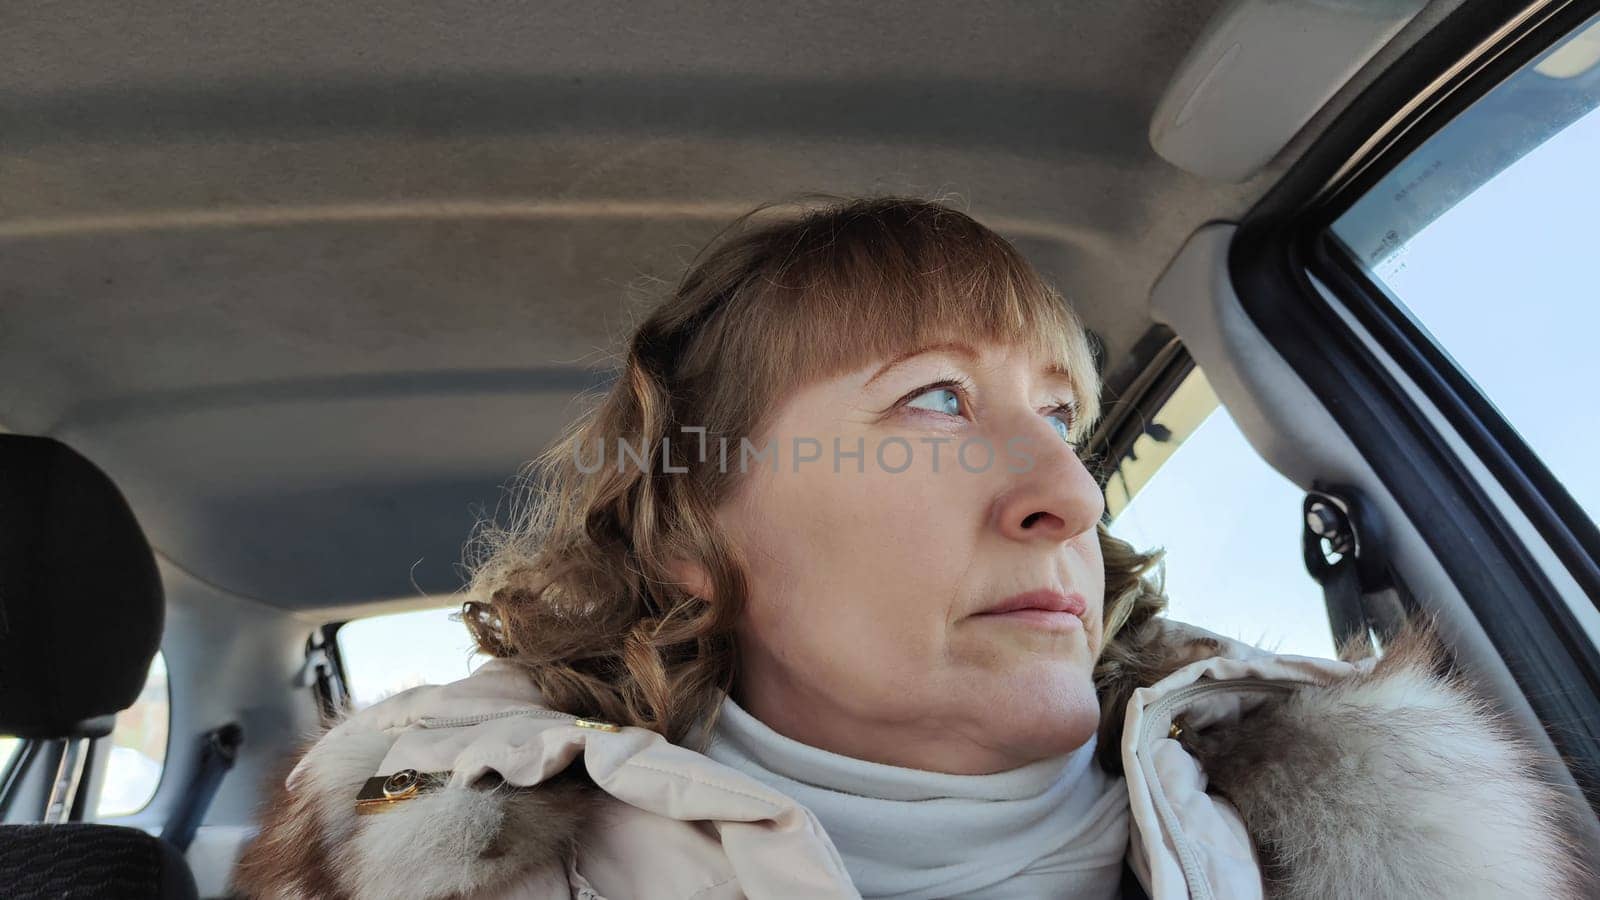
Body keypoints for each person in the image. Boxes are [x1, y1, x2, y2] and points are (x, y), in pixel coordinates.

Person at [233, 198, 1579, 899]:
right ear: (694, 533)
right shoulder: (430, 869)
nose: (1068, 493)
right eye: (934, 400)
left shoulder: (1400, 844)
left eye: (1061, 416)